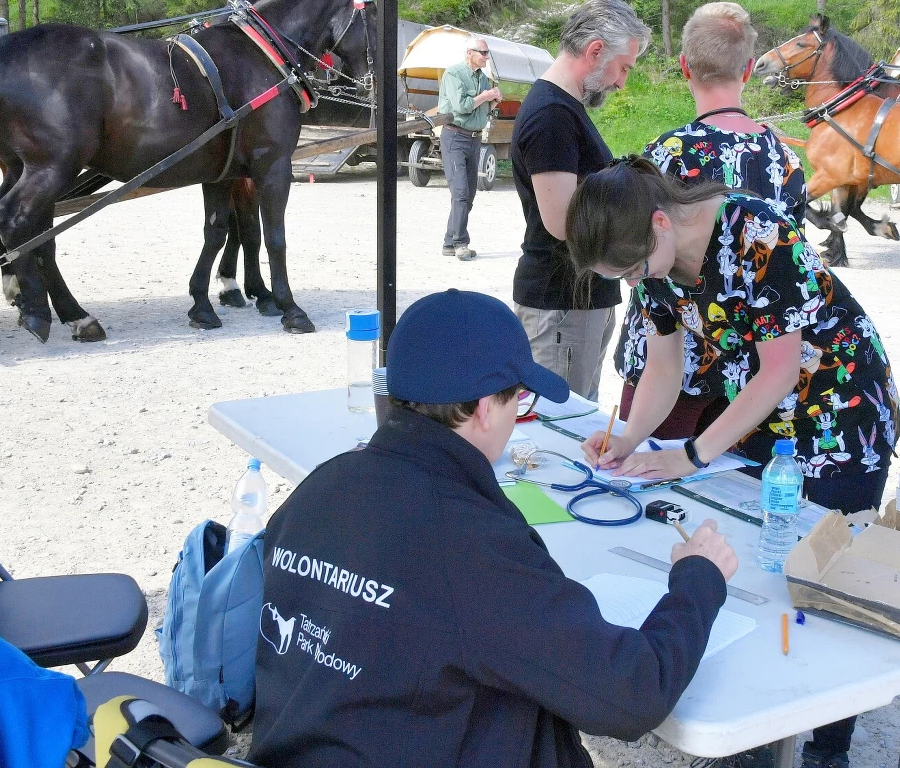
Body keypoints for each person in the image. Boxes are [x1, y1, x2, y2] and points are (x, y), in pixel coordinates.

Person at [250, 288, 739, 768]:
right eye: (518, 401)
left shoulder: (321, 485)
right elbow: (634, 692)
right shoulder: (470, 543)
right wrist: (698, 579)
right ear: (485, 407)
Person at [566, 158, 899, 516]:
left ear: (659, 223)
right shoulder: (652, 263)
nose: (633, 282)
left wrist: (692, 456)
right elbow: (663, 369)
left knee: (831, 554)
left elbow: (779, 371)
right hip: (758, 416)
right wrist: (628, 439)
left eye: (634, 270)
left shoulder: (757, 229)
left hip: (842, 411)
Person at [617, 1, 808, 441]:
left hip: (669, 369)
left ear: (685, 66)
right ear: (746, 71)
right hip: (749, 377)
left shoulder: (663, 156)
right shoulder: (787, 161)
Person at [511, 0, 651, 401]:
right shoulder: (552, 115)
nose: (622, 82)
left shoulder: (564, 108)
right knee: (558, 430)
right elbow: (561, 221)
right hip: (560, 303)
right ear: (594, 51)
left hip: (575, 302)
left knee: (574, 420)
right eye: (623, 68)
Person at [437, 36, 502, 260]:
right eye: (483, 53)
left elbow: (483, 111)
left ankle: (449, 242)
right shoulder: (454, 74)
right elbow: (462, 107)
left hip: (475, 139)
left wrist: (493, 102)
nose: (486, 57)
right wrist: (485, 96)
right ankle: (460, 243)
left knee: (468, 194)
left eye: (487, 53)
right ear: (469, 53)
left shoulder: (483, 79)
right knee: (461, 192)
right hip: (455, 137)